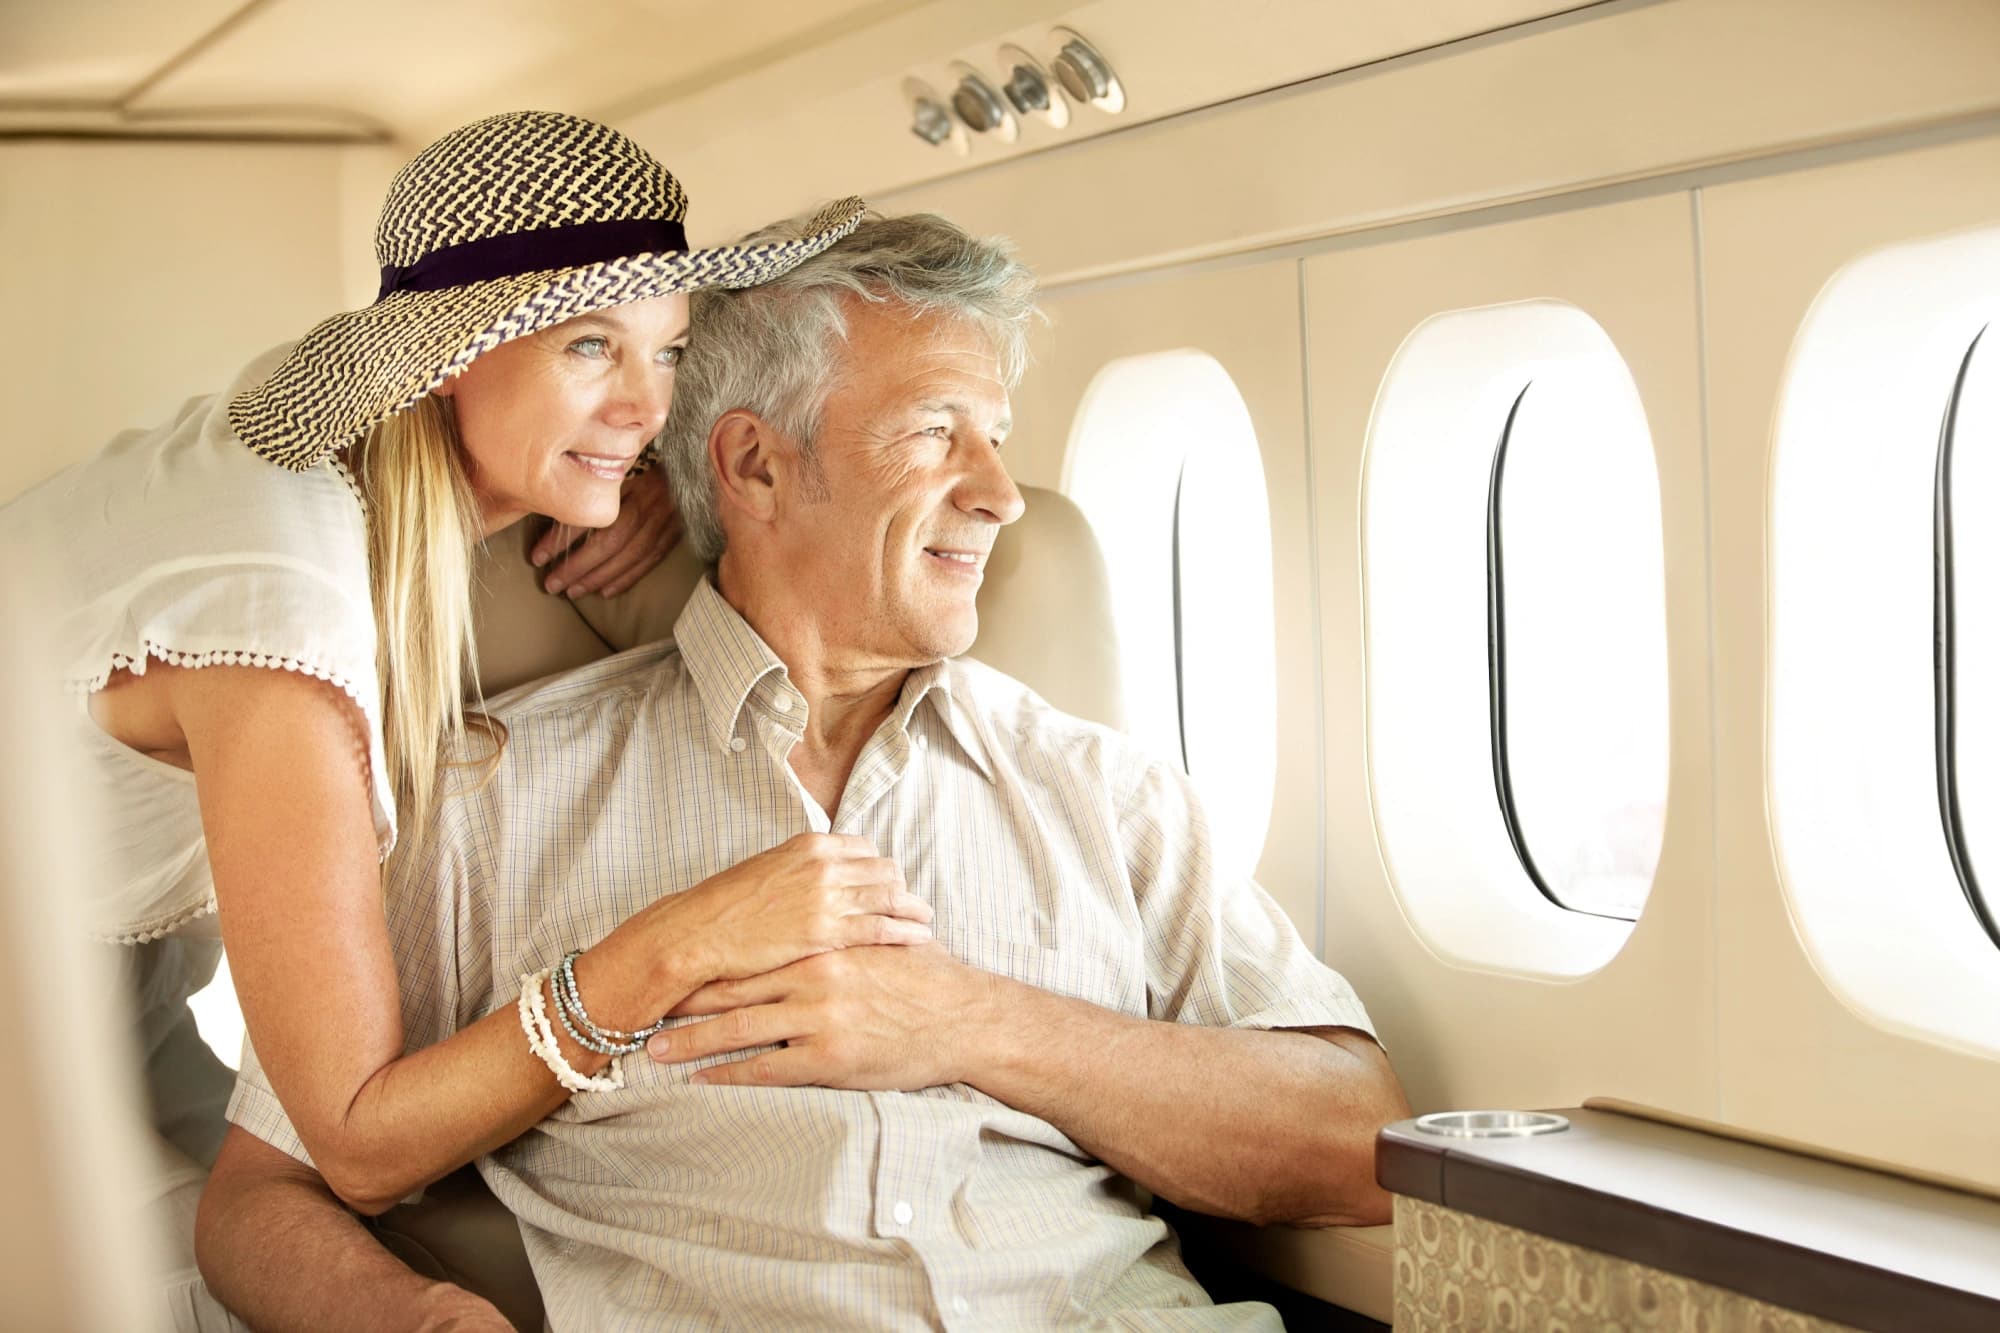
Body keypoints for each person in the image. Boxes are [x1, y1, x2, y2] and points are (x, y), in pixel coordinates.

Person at [205, 210, 1411, 1330]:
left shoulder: (1107, 793)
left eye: (995, 438)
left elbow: (1364, 1147)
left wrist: (972, 1022)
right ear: (757, 467)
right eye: (938, 432)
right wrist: (417, 1322)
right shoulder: (489, 799)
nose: (997, 494)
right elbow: (257, 1199)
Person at [6, 111, 936, 1329]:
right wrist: (671, 948)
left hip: (100, 979)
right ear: (440, 356)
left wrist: (619, 479)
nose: (646, 405)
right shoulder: (282, 619)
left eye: (667, 351)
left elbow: (585, 420)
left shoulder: (349, 449)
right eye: (591, 347)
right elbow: (353, 1135)